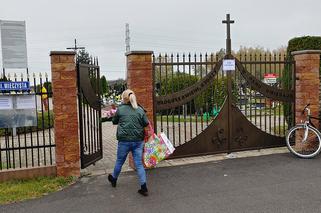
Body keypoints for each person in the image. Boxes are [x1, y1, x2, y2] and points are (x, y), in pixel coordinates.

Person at [108, 89, 150, 196]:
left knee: (119, 161)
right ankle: (144, 187)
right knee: (139, 164)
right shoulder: (140, 110)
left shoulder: (121, 109)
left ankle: (114, 179)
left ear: (124, 98)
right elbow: (146, 123)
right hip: (138, 142)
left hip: (124, 141)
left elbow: (114, 121)